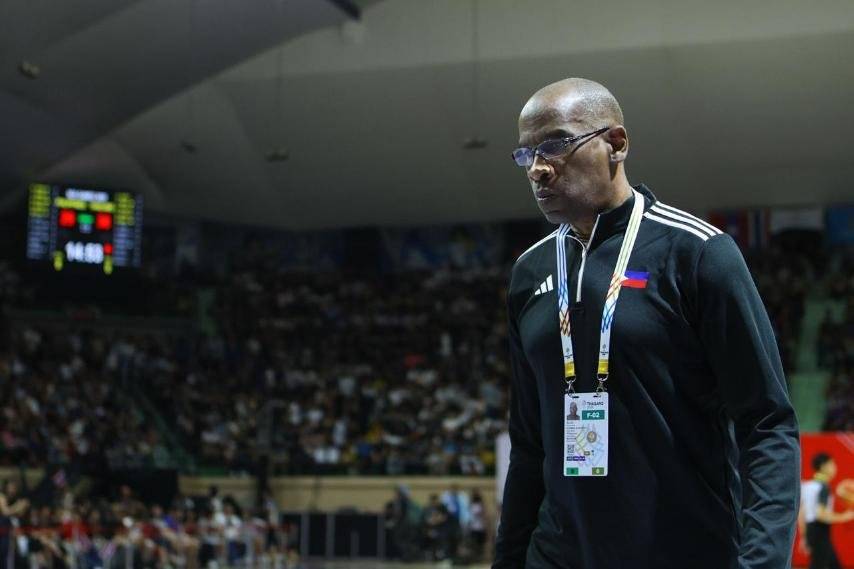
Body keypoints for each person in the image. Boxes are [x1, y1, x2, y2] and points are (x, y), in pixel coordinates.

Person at [493, 78, 800, 568]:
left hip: (682, 552)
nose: (538, 169)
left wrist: (761, 562)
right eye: (526, 154)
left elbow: (767, 424)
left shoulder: (697, 253)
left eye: (555, 145)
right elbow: (529, 445)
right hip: (558, 554)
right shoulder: (530, 273)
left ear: (616, 143)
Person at [799, 453, 854, 569]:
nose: (835, 468)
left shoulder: (807, 486)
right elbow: (821, 515)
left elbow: (801, 513)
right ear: (824, 466)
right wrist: (845, 516)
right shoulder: (823, 487)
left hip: (812, 530)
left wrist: (804, 536)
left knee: (831, 564)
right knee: (820, 565)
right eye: (832, 464)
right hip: (820, 530)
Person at [0, 480, 29, 569]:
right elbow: (5, 512)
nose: (13, 489)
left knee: (8, 559)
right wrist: (18, 506)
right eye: (11, 487)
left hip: (8, 534)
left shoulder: (14, 500)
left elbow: (18, 514)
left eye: (14, 487)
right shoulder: (1, 497)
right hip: (2, 534)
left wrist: (23, 507)